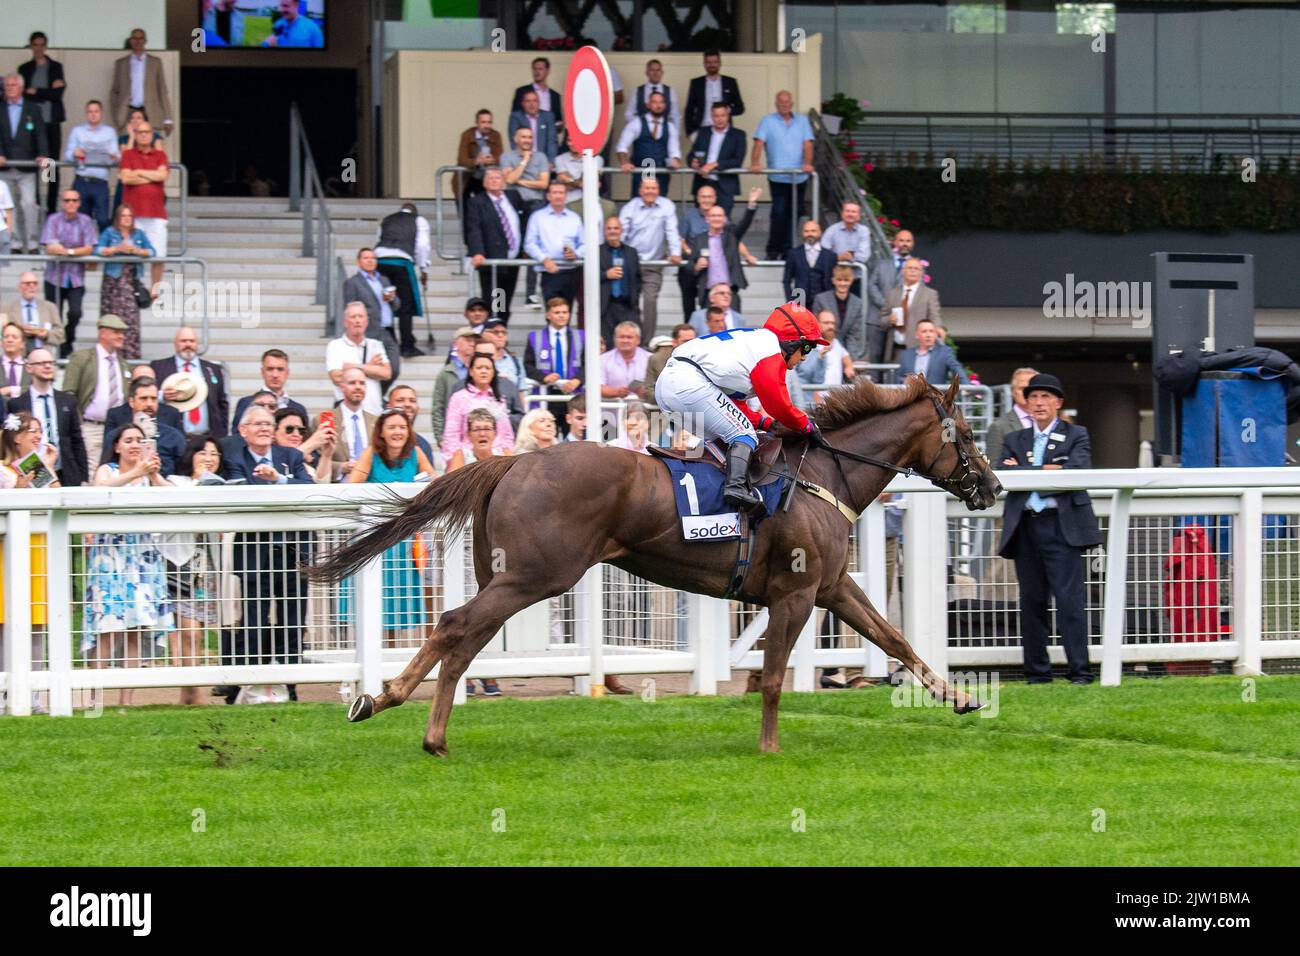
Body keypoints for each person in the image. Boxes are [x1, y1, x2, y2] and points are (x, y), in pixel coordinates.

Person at [655, 303, 830, 512]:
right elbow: (779, 405)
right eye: (807, 347)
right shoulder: (770, 354)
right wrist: (806, 426)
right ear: (791, 342)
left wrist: (765, 422)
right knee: (743, 433)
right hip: (688, 383)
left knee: (718, 441)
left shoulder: (755, 345)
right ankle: (735, 488)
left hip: (670, 386)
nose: (805, 357)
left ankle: (709, 498)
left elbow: (734, 406)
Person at [997, 373, 1102, 685]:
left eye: (1046, 397)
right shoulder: (1014, 439)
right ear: (1026, 404)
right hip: (1025, 526)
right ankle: (1037, 673)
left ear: (1058, 403)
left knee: (1070, 601)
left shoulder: (1077, 434)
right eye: (1034, 398)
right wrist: (1048, 470)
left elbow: (1076, 472)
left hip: (1061, 526)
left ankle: (1080, 672)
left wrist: (1029, 472)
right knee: (1031, 601)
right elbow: (1003, 474)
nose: (1039, 403)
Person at [219, 405, 314, 704]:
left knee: (292, 621)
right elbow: (241, 494)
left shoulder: (292, 456)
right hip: (255, 552)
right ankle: (244, 686)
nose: (263, 428)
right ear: (243, 430)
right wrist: (269, 484)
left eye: (268, 423)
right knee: (253, 621)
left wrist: (280, 480)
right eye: (256, 424)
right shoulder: (234, 459)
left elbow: (309, 488)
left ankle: (291, 686)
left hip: (292, 550)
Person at [86, 422, 174, 707]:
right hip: (110, 557)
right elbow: (100, 489)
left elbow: (173, 498)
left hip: (142, 557)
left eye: (140, 440)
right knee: (107, 628)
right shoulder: (108, 470)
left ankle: (126, 703)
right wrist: (136, 472)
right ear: (117, 445)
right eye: (129, 440)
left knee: (136, 629)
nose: (135, 445)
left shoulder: (149, 475)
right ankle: (95, 701)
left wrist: (155, 475)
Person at [345, 409, 434, 640]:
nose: (398, 432)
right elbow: (352, 485)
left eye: (402, 427)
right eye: (392, 427)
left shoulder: (415, 452)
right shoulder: (370, 453)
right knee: (371, 599)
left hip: (403, 537)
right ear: (381, 432)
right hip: (373, 534)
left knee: (396, 599)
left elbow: (433, 480)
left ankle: (392, 657)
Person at [163, 434, 225, 704]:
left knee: (198, 631)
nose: (209, 458)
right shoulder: (177, 483)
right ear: (191, 455)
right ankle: (190, 691)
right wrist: (200, 482)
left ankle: (190, 691)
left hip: (206, 565)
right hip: (181, 562)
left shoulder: (222, 486)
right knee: (189, 630)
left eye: (214, 454)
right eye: (203, 453)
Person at [60, 314, 132, 469]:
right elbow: (69, 393)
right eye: (116, 332)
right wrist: (77, 424)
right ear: (103, 333)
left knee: (117, 471)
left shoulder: (123, 364)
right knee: (91, 472)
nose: (121, 336)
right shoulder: (82, 358)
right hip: (90, 427)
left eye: (122, 332)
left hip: (118, 429)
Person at [8, 346, 87, 485]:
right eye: (41, 363)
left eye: (51, 363)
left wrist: (83, 477)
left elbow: (77, 441)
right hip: (33, 468)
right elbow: (12, 443)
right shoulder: (17, 404)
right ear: (29, 368)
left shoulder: (68, 401)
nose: (47, 366)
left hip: (66, 470)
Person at [751, 91, 815, 261]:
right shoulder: (768, 121)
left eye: (787, 102)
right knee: (778, 213)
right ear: (776, 104)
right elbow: (759, 142)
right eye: (780, 102)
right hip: (778, 177)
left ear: (791, 104)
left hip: (798, 177)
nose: (784, 105)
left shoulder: (802, 121)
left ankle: (787, 251)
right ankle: (773, 250)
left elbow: (808, 144)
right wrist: (755, 162)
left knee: (794, 214)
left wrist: (808, 163)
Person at [678, 183, 758, 316]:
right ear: (708, 219)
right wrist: (697, 266)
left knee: (734, 330)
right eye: (713, 216)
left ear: (725, 219)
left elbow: (744, 224)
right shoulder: (699, 239)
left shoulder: (731, 236)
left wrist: (751, 204)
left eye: (720, 216)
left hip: (729, 291)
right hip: (709, 293)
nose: (717, 219)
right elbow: (690, 264)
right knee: (709, 333)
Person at [618, 177, 682, 338]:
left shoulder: (666, 205)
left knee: (650, 301)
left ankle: (646, 341)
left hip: (654, 264)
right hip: (631, 263)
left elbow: (671, 230)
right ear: (640, 190)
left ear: (658, 190)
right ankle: (632, 338)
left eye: (653, 188)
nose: (650, 191)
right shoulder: (630, 207)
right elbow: (622, 233)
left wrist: (676, 252)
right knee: (630, 302)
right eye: (647, 188)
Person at [39, 188, 99, 355]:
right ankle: (53, 351)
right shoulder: (53, 220)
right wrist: (59, 249)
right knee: (53, 315)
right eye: (67, 200)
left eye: (74, 200)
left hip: (75, 278)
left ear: (79, 203)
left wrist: (68, 252)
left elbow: (89, 248)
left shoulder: (86, 221)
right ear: (62, 202)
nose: (70, 203)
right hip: (53, 277)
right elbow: (49, 246)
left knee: (75, 313)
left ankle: (67, 341)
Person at [499, 127, 551, 310]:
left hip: (535, 204)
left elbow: (544, 184)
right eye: (524, 137)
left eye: (530, 137)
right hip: (513, 204)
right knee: (512, 248)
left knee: (532, 247)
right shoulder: (507, 156)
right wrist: (525, 161)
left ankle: (530, 293)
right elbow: (509, 180)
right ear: (515, 138)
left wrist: (520, 180)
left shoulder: (541, 157)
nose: (528, 140)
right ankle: (502, 300)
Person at [93, 204, 154, 359]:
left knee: (131, 321)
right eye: (123, 216)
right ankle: (109, 354)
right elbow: (98, 249)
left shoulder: (138, 234)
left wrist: (138, 251)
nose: (127, 219)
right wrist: (116, 249)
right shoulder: (109, 232)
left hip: (130, 281)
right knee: (111, 318)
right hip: (113, 282)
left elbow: (152, 251)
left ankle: (131, 357)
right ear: (118, 218)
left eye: (129, 216)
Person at [464, 168, 523, 322]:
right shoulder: (477, 202)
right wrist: (477, 251)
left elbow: (523, 222)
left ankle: (500, 334)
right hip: (493, 262)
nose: (494, 180)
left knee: (506, 300)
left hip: (513, 260)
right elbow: (473, 228)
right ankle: (494, 333)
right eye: (490, 178)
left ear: (503, 181)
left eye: (497, 177)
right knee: (497, 303)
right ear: (484, 183)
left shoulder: (514, 197)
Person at [0, 73, 49, 255]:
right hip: (5, 167)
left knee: (29, 204)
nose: (10, 87)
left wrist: (43, 155)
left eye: (13, 84)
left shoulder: (32, 108)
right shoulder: (0, 107)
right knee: (9, 206)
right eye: (7, 85)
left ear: (21, 87)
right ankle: (15, 243)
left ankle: (33, 242)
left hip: (26, 167)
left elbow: (41, 134)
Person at [117, 118, 169, 292]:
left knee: (159, 254)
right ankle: (133, 288)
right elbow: (125, 177)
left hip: (156, 213)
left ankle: (155, 290)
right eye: (140, 132)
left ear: (152, 135)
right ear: (136, 134)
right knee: (130, 253)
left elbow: (162, 176)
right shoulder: (128, 155)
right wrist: (150, 175)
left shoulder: (160, 155)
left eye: (147, 132)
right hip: (133, 214)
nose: (144, 135)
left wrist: (138, 172)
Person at [374, 202, 431, 357]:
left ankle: (389, 343)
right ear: (414, 211)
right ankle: (407, 345)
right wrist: (423, 268)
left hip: (380, 262)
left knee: (386, 302)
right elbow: (422, 246)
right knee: (405, 305)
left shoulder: (386, 220)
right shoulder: (419, 220)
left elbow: (379, 238)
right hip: (401, 262)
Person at [150, 326, 229, 438]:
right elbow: (147, 397)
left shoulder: (213, 369)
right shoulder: (158, 367)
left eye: (192, 341)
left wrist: (222, 434)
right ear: (175, 344)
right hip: (173, 438)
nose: (188, 344)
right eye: (183, 341)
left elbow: (222, 404)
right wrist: (162, 396)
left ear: (197, 344)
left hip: (207, 438)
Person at [17, 32, 66, 216]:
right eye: (35, 44)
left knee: (50, 165)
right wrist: (46, 92)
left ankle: (50, 207)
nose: (38, 48)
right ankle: (36, 204)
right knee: (34, 164)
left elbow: (57, 95)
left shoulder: (55, 67)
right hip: (32, 125)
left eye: (41, 44)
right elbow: (23, 95)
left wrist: (35, 91)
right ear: (30, 46)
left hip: (51, 122)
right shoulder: (25, 68)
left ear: (45, 46)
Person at [341, 248, 402, 386]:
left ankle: (379, 397)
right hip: (369, 331)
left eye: (373, 258)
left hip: (387, 330)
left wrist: (392, 299)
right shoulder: (353, 282)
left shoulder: (384, 280)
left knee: (394, 369)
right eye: (366, 258)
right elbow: (350, 307)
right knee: (370, 369)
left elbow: (397, 305)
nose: (370, 261)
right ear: (358, 262)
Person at [102, 376, 185, 475]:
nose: (149, 404)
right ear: (132, 402)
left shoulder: (173, 436)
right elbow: (105, 471)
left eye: (154, 399)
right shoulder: (115, 437)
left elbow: (183, 477)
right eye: (143, 399)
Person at [441, 352, 516, 461]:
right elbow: (451, 434)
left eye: (488, 368)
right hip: (467, 458)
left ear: (493, 372)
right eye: (479, 368)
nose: (484, 371)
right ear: (471, 371)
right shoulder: (458, 398)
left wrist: (508, 458)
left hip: (498, 458)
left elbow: (507, 435)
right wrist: (454, 461)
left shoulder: (499, 399)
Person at [522, 181, 584, 309]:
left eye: (561, 192)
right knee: (552, 314)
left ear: (566, 196)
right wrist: (544, 259)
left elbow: (584, 244)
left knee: (567, 313)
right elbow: (529, 243)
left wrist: (576, 253)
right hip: (549, 272)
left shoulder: (574, 218)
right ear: (548, 196)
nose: (558, 196)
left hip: (571, 272)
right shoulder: (538, 217)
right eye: (554, 192)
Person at [326, 300, 391, 416]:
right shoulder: (335, 346)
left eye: (361, 316)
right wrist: (370, 367)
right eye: (353, 317)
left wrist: (353, 367)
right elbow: (336, 376)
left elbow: (386, 373)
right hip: (346, 413)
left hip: (374, 412)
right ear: (345, 322)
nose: (357, 321)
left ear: (366, 321)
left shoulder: (376, 345)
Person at [64, 100, 119, 231]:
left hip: (101, 182)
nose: (93, 114)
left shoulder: (109, 132)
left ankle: (102, 248)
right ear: (86, 113)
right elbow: (67, 155)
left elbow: (117, 156)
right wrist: (74, 153)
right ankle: (84, 250)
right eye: (90, 112)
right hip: (82, 180)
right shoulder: (77, 131)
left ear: (101, 113)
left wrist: (113, 156)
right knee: (81, 219)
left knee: (103, 219)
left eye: (96, 111)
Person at [615, 91, 681, 200]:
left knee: (661, 205)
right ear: (648, 105)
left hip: (661, 174)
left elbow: (674, 151)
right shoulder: (636, 123)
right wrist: (624, 163)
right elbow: (622, 147)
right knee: (638, 204)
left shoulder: (670, 127)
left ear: (664, 105)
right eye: (654, 102)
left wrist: (676, 161)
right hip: (641, 173)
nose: (658, 105)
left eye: (661, 102)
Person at [110, 28, 174, 136]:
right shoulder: (121, 64)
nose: (138, 41)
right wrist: (117, 112)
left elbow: (162, 91)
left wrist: (168, 119)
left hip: (151, 113)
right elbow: (114, 92)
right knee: (127, 148)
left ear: (145, 41)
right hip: (128, 113)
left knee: (152, 147)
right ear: (130, 41)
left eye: (141, 38)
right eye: (135, 38)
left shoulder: (155, 63)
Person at [524, 298, 584, 409]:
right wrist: (544, 377)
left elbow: (588, 364)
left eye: (565, 312)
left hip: (572, 391)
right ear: (548, 315)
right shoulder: (535, 337)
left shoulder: (581, 336)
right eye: (557, 312)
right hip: (546, 392)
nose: (561, 315)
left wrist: (578, 379)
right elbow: (528, 365)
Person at [688, 103, 746, 211]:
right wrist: (693, 162)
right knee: (701, 220)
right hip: (702, 183)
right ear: (711, 116)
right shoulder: (703, 132)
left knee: (722, 221)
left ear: (728, 115)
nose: (720, 119)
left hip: (724, 186)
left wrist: (714, 164)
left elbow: (738, 161)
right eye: (716, 116)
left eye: (723, 115)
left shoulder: (738, 135)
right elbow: (691, 155)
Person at [325, 366, 378, 483]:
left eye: (362, 383)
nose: (358, 387)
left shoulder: (377, 421)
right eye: (352, 383)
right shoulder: (325, 419)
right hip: (338, 487)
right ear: (341, 386)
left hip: (372, 484)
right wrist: (341, 467)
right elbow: (316, 461)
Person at [883, 258, 941, 364]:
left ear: (921, 273)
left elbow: (934, 317)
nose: (913, 271)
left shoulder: (929, 294)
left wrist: (938, 329)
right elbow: (882, 319)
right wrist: (889, 319)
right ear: (903, 271)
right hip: (895, 350)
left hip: (918, 350)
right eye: (910, 268)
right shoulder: (892, 294)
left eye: (916, 269)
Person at [232, 349, 309, 426]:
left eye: (280, 369)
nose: (275, 375)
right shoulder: (246, 403)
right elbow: (237, 435)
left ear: (287, 373)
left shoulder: (299, 409)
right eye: (270, 369)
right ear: (262, 372)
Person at [431, 326, 480, 445]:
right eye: (468, 340)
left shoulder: (481, 370)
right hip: (455, 434)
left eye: (474, 340)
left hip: (478, 431)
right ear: (456, 343)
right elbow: (438, 407)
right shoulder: (446, 373)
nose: (472, 343)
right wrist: (440, 437)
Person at [812, 264, 869, 363]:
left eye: (846, 280)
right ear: (833, 280)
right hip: (824, 351)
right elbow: (816, 329)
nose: (842, 283)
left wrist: (849, 358)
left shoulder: (857, 303)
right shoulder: (821, 299)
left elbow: (854, 334)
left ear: (851, 281)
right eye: (839, 280)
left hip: (848, 352)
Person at [598, 216, 641, 343]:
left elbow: (637, 278)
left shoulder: (631, 252)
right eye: (609, 228)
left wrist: (635, 299)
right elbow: (587, 277)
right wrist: (606, 275)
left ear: (621, 230)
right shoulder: (596, 251)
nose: (612, 231)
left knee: (629, 341)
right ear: (604, 231)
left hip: (627, 306)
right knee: (607, 342)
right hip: (607, 306)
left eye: (616, 228)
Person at [797, 310, 856, 400]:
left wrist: (849, 367)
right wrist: (816, 393)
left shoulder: (836, 343)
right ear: (817, 324)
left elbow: (846, 356)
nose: (831, 326)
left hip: (835, 399)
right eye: (826, 323)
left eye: (833, 323)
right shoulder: (810, 344)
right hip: (814, 399)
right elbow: (806, 374)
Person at [985, 367, 1040, 463]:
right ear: (1013, 392)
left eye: (1031, 388)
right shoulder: (999, 427)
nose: (1027, 392)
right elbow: (993, 467)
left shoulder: (1051, 423)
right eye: (1022, 388)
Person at [456, 108, 503, 217]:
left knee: (486, 213)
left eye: (489, 122)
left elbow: (500, 157)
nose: (487, 125)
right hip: (466, 179)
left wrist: (492, 160)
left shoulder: (496, 135)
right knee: (465, 215)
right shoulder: (467, 135)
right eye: (483, 122)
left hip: (486, 179)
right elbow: (461, 159)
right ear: (476, 123)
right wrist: (476, 161)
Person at [684, 49, 745, 132]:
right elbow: (689, 110)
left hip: (725, 131)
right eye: (708, 62)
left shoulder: (730, 82)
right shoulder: (696, 83)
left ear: (720, 63)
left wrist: (727, 109)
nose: (712, 65)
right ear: (704, 64)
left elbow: (740, 108)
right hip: (702, 129)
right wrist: (690, 132)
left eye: (715, 62)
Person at [2, 272, 62, 354]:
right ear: (19, 287)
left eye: (35, 283)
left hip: (42, 356)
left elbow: (60, 334)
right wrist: (20, 331)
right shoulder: (6, 308)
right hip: (18, 356)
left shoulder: (50, 307)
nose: (31, 286)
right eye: (27, 283)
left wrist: (46, 334)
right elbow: (1, 332)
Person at [785, 219, 838, 306]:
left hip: (825, 301)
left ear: (820, 232)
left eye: (813, 231)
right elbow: (786, 280)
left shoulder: (830, 255)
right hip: (799, 301)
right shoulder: (793, 254)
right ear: (802, 233)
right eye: (806, 231)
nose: (810, 234)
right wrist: (790, 301)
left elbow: (833, 280)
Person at [511, 57, 562, 148]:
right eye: (534, 69)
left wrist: (552, 127)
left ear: (547, 71)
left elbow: (558, 121)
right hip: (527, 139)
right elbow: (515, 117)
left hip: (547, 142)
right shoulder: (522, 91)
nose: (537, 72)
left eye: (540, 69)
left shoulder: (555, 95)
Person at [898, 319, 969, 385]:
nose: (928, 335)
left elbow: (957, 369)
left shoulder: (944, 352)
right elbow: (898, 378)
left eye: (931, 331)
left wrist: (967, 386)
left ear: (935, 335)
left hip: (934, 397)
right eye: (924, 331)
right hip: (911, 396)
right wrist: (904, 381)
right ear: (917, 335)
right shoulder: (907, 354)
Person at [275, 406, 335, 483]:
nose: (296, 434)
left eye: (301, 430)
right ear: (274, 432)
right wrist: (313, 442)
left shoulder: (305, 459)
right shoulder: (268, 455)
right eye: (289, 429)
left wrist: (326, 455)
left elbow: (321, 486)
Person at [445, 406, 509, 471]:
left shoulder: (505, 455)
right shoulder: (461, 456)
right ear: (468, 434)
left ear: (495, 433)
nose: (482, 434)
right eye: (476, 429)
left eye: (487, 429)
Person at [644, 323, 696, 402]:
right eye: (685, 341)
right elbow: (648, 391)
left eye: (692, 341)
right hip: (665, 409)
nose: (690, 344)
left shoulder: (704, 359)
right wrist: (670, 400)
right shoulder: (656, 359)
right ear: (674, 342)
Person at [385, 383, 434, 463]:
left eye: (412, 401)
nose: (407, 404)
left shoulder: (423, 445)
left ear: (418, 408)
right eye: (400, 400)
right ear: (388, 407)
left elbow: (429, 475)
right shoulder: (377, 441)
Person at [626, 59, 682, 127]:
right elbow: (629, 114)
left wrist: (675, 134)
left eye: (658, 70)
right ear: (647, 72)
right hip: (642, 134)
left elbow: (675, 116)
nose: (655, 73)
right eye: (652, 70)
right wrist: (638, 128)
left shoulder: (670, 91)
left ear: (662, 72)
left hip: (664, 133)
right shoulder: (637, 91)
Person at [478, 317, 526, 388]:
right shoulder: (476, 360)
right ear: (483, 334)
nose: (500, 335)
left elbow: (521, 392)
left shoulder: (516, 362)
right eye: (495, 332)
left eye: (504, 332)